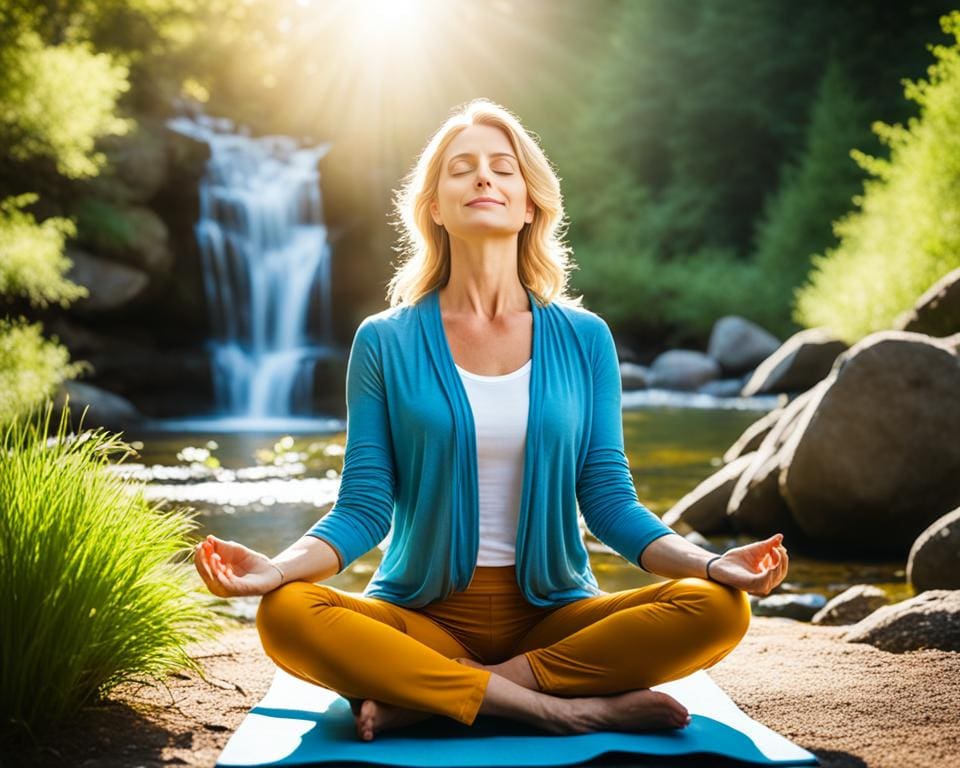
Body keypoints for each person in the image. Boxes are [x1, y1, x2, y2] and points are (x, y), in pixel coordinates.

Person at [194, 98, 789, 744]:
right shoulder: (384, 342)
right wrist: (277, 570)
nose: (484, 178)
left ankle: (432, 694)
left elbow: (610, 503)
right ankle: (557, 709)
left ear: (529, 203)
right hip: (419, 614)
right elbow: (363, 509)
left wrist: (709, 564)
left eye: (503, 168)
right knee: (285, 613)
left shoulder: (585, 340)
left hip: (555, 615)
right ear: (434, 208)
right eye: (462, 169)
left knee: (717, 609)